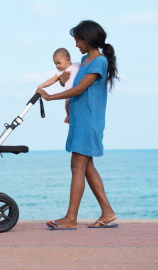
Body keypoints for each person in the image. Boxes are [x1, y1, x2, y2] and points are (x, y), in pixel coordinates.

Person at [36, 20, 119, 230]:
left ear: (88, 39)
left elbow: (80, 89)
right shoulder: (83, 60)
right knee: (87, 166)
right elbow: (72, 84)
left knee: (77, 166)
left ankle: (71, 218)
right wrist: (63, 80)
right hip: (79, 119)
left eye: (78, 39)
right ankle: (107, 212)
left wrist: (50, 96)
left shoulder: (98, 62)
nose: (75, 45)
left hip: (89, 120)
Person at [38, 48, 80, 124]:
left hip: (78, 90)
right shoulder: (60, 72)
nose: (57, 66)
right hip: (69, 93)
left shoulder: (77, 65)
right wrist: (42, 85)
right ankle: (68, 116)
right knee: (67, 101)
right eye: (55, 64)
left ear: (67, 60)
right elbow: (51, 80)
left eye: (59, 63)